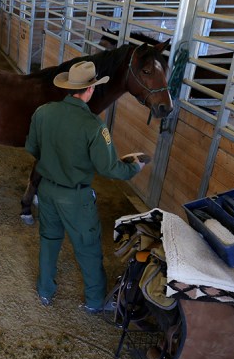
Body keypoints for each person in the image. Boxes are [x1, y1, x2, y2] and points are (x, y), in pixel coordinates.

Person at [24, 61, 148, 314]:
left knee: (49, 240)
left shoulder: (43, 112)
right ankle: (94, 301)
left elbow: (33, 149)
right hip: (75, 196)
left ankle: (45, 291)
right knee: (88, 248)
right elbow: (109, 169)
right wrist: (134, 167)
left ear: (69, 88)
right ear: (90, 90)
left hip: (46, 190)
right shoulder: (94, 127)